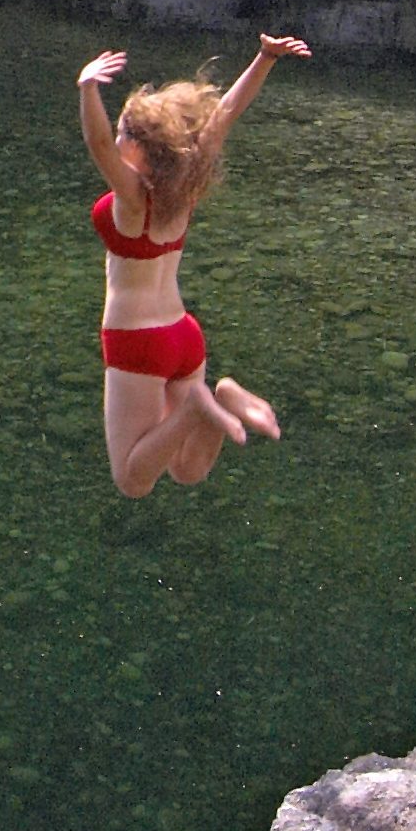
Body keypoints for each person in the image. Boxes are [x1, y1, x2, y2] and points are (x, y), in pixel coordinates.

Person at [74, 38, 307, 496]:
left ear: (142, 148)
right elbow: (224, 116)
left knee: (132, 480)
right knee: (187, 469)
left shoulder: (132, 198)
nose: (118, 140)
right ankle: (220, 397)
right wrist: (265, 59)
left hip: (137, 340)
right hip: (183, 334)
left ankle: (201, 402)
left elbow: (97, 143)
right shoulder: (183, 187)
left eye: (126, 134)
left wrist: (86, 89)